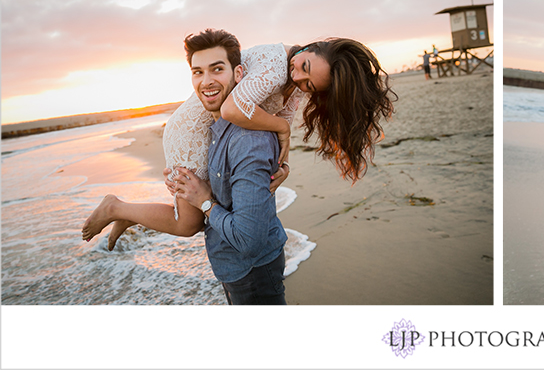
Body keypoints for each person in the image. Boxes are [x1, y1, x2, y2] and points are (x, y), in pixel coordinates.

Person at [81, 28, 396, 251]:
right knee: (188, 224)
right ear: (309, 47)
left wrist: (282, 164)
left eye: (309, 84)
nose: (299, 77)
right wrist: (283, 132)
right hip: (191, 132)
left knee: (205, 208)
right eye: (304, 67)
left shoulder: (294, 80)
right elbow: (234, 109)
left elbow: (278, 121)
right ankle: (115, 208)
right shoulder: (276, 65)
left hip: (219, 134)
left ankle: (127, 216)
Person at [171, 37, 288, 304]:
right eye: (198, 72)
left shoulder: (247, 141)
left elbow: (249, 241)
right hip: (234, 268)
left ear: (238, 74)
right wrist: (186, 187)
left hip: (253, 272)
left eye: (217, 69)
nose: (206, 80)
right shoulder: (218, 130)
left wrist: (204, 202)